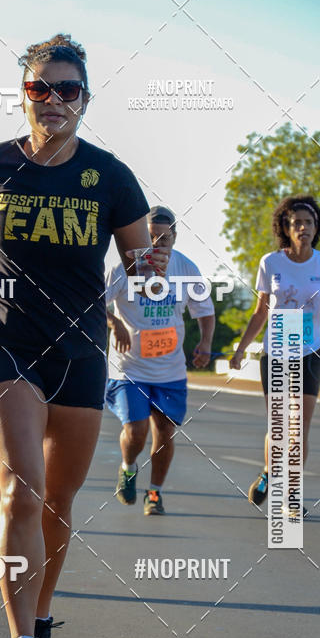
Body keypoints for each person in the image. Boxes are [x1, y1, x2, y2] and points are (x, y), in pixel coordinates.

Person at [0, 33, 167, 638]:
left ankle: (41, 619)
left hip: (81, 350)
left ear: (84, 100)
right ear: (23, 96)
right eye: (40, 88)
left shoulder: (110, 176)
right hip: (6, 339)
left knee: (59, 502)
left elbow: (138, 269)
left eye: (66, 89)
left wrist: (151, 268)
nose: (53, 99)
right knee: (22, 490)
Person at [229, 195, 320, 513]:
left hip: (310, 351)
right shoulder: (271, 262)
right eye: (296, 223)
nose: (303, 228)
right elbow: (260, 313)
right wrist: (240, 350)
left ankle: (291, 496)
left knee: (299, 429)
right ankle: (269, 472)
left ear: (316, 227)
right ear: (285, 227)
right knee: (279, 428)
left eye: (309, 222)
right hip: (277, 351)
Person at [106, 205, 215, 515]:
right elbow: (92, 301)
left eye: (164, 238)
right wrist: (114, 323)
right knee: (137, 430)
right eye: (151, 237)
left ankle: (154, 493)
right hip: (129, 367)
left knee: (165, 432)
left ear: (174, 238)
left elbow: (205, 310)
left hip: (170, 369)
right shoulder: (124, 267)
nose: (157, 244)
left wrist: (205, 343)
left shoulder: (186, 268)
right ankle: (128, 468)